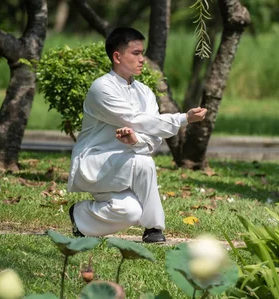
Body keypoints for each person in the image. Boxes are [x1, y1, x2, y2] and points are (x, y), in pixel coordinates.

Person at [66, 27, 207, 243]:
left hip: (126, 165)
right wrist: (183, 118)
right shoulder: (101, 88)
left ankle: (80, 215)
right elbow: (137, 120)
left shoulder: (145, 92)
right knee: (143, 163)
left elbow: (153, 137)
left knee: (130, 211)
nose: (142, 59)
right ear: (117, 56)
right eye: (136, 53)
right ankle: (153, 229)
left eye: (143, 53)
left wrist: (136, 141)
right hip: (96, 163)